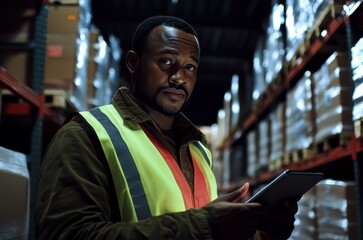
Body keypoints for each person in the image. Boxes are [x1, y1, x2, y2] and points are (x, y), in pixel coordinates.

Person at [35, 15, 299, 239]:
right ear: (133, 63)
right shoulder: (86, 136)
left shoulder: (198, 150)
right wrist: (206, 225)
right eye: (166, 62)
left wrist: (263, 231)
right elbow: (69, 234)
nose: (179, 78)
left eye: (190, 67)